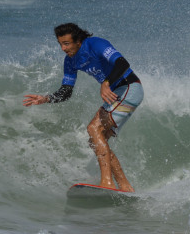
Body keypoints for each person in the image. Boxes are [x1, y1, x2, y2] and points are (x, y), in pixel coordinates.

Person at [23, 23, 143, 192]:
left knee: (93, 129)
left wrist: (106, 82)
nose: (63, 48)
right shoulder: (70, 61)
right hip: (116, 94)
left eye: (66, 43)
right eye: (60, 44)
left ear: (78, 40)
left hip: (129, 87)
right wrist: (46, 98)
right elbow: (66, 92)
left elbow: (122, 63)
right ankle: (125, 186)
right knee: (95, 139)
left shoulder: (95, 44)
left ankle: (107, 183)